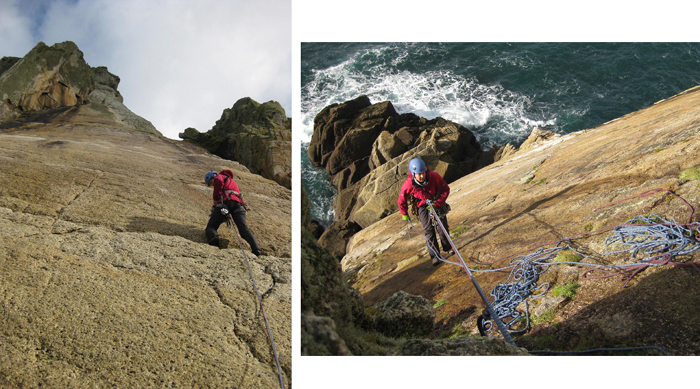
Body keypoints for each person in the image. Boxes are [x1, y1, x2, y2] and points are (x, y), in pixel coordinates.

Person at [398, 158, 453, 266]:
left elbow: (445, 189)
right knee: (428, 230)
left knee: (442, 227)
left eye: (422, 173)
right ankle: (435, 256)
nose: (422, 176)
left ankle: (448, 248)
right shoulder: (409, 184)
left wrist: (437, 203)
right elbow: (402, 199)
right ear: (413, 174)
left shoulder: (434, 176)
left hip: (435, 201)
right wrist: (404, 213)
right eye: (419, 174)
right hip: (422, 206)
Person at [204, 170, 261, 256]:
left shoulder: (218, 177)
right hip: (239, 205)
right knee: (243, 229)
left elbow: (218, 182)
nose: (213, 185)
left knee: (211, 227)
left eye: (211, 182)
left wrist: (215, 199)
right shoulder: (231, 181)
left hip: (226, 203)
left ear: (212, 177)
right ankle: (256, 249)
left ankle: (214, 240)